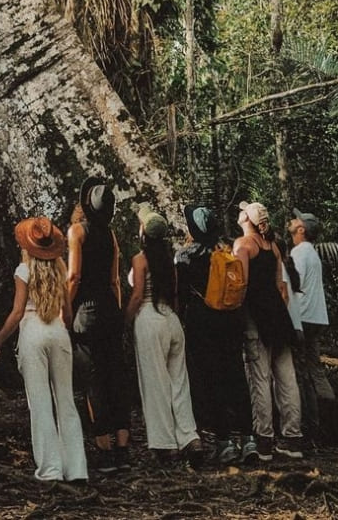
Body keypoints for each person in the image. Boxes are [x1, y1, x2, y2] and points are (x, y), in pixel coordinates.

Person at [0, 216, 88, 485]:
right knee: (66, 401)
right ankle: (77, 468)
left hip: (33, 332)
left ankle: (51, 469)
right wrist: (61, 328)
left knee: (41, 404)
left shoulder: (23, 271)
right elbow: (67, 314)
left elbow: (17, 311)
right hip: (58, 332)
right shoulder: (60, 268)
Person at [174, 204, 256, 465]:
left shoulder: (187, 256)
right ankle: (248, 438)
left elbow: (181, 294)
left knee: (213, 381)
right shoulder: (225, 251)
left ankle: (224, 442)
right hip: (231, 320)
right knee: (236, 377)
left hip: (203, 322)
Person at [125, 208, 201, 466]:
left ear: (144, 233)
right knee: (179, 382)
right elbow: (176, 296)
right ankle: (190, 437)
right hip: (171, 319)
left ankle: (164, 444)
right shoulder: (171, 260)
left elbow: (137, 295)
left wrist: (126, 321)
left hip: (149, 318)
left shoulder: (140, 259)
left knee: (155, 383)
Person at [68, 177, 131, 472]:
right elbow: (115, 280)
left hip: (87, 313)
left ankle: (105, 451)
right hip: (110, 311)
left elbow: (74, 277)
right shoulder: (111, 235)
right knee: (116, 378)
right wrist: (117, 312)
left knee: (93, 380)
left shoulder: (77, 232)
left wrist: (66, 312)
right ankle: (123, 449)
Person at [233, 200, 303, 462]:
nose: (239, 214)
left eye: (243, 212)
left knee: (260, 378)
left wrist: (237, 317)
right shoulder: (272, 247)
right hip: (278, 316)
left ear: (247, 220)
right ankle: (293, 438)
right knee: (286, 377)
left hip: (256, 318)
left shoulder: (243, 246)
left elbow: (241, 285)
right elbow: (281, 288)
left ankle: (264, 441)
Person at [288, 210, 332, 404]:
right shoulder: (312, 253)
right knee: (316, 369)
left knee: (300, 370)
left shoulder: (299, 253)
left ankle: (309, 419)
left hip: (303, 318)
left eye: (295, 220)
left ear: (301, 228)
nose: (291, 221)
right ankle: (331, 413)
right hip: (317, 317)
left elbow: (295, 286)